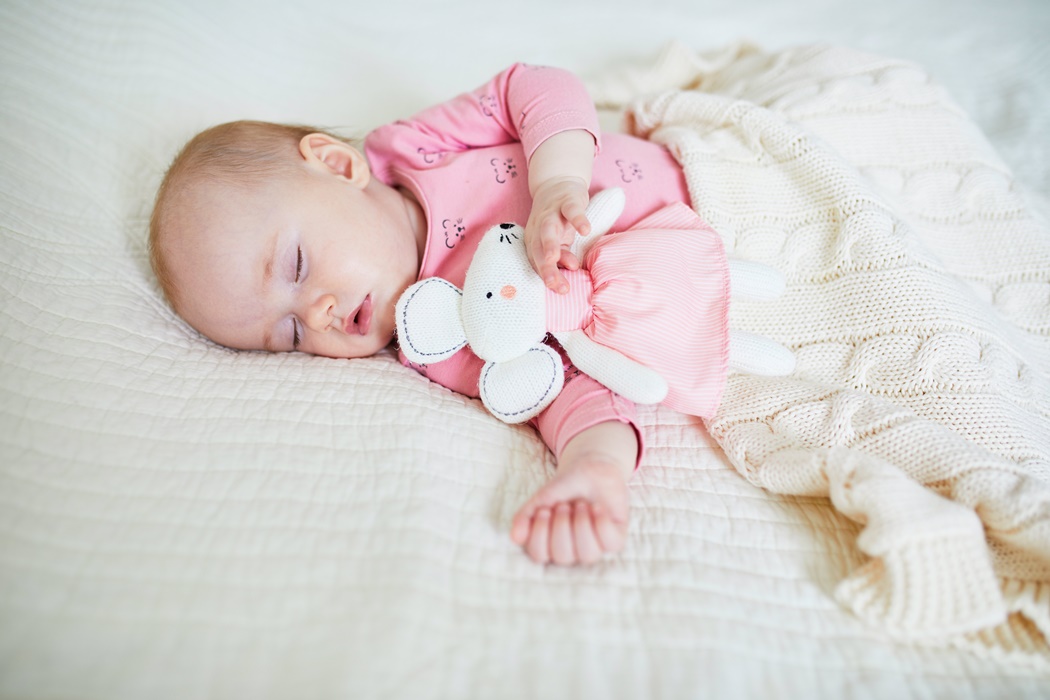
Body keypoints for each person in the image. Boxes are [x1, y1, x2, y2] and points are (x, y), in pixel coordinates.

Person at [149, 63, 753, 567]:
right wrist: (594, 467)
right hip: (733, 273)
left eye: (298, 265)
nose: (319, 312)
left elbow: (537, 85)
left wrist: (557, 182)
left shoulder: (416, 152)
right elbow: (568, 390)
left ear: (336, 166)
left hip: (719, 173)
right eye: (289, 333)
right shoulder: (438, 343)